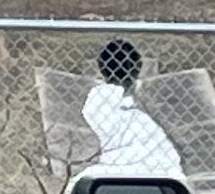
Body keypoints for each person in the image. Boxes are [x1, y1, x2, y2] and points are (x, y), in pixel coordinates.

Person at [77, 38, 184, 175]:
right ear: (138, 68)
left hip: (113, 170)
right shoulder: (153, 104)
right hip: (160, 172)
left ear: (101, 69)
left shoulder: (97, 102)